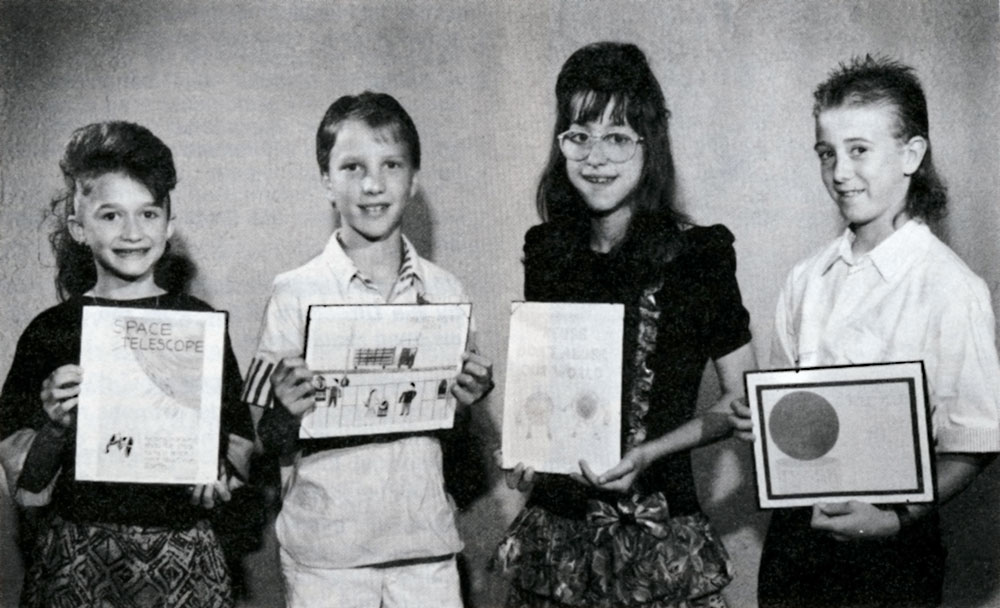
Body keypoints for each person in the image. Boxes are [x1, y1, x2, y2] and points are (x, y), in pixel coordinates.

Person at [730, 56, 1000, 608]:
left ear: (911, 154)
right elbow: (796, 414)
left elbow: (974, 444)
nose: (839, 172)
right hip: (796, 547)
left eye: (859, 150)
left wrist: (898, 518)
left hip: (892, 557)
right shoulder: (806, 280)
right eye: (827, 153)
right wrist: (764, 420)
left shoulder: (951, 289)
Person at [495, 42, 756, 608]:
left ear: (649, 145)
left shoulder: (701, 255)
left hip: (662, 540)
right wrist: (528, 449)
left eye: (618, 137)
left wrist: (649, 453)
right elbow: (546, 391)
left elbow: (742, 403)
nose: (596, 156)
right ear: (560, 144)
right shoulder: (547, 251)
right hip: (556, 540)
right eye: (579, 134)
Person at [242, 91, 494, 608]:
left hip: (426, 552)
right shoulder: (292, 292)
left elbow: (454, 434)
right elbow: (261, 436)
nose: (373, 184)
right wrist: (287, 411)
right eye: (352, 167)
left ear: (413, 180)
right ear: (326, 182)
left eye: (391, 165)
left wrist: (468, 400)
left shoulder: (447, 291)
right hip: (326, 557)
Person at [0, 121, 255, 607]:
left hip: (184, 552)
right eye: (111, 216)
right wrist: (53, 424)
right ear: (79, 227)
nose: (133, 232)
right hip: (79, 557)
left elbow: (236, 447)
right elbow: (28, 483)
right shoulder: (50, 330)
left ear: (168, 225)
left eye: (148, 213)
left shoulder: (198, 324)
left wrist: (215, 476)